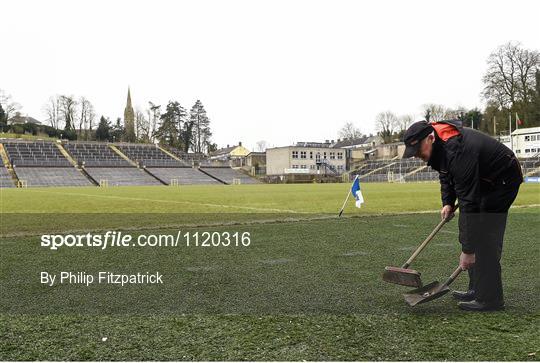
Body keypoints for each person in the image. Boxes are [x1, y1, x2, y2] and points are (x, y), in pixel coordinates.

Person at [402, 119, 523, 311]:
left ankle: (490, 299)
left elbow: (469, 203)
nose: (417, 157)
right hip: (484, 180)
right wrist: (448, 202)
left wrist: (468, 251)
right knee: (471, 231)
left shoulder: (457, 151)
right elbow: (445, 172)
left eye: (418, 152)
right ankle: (477, 289)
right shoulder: (441, 145)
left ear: (430, 138)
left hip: (502, 181)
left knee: (485, 237)